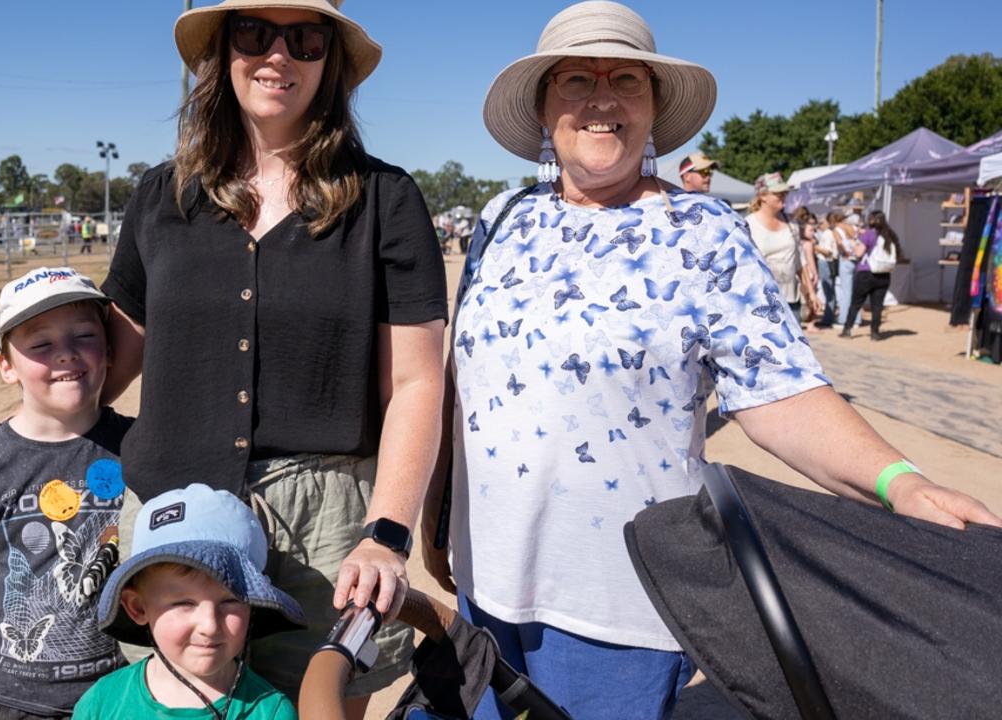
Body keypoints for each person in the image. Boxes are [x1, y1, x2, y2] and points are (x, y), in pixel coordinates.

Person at [420, 3, 1002, 719]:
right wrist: (436, 513)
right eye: (575, 79)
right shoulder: (501, 217)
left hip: (617, 605)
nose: (601, 98)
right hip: (485, 583)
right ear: (544, 109)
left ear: (655, 109)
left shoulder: (702, 234)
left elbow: (780, 392)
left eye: (625, 80)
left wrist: (898, 482)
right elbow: (463, 381)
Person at [98, 0, 447, 713]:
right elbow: (103, 364)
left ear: (333, 60)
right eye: (254, 32)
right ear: (222, 52)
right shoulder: (159, 198)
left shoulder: (386, 200)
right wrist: (11, 448)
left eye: (306, 38)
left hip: (326, 531)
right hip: (172, 521)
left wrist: (385, 534)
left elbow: (415, 384)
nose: (278, 55)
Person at [0, 267, 133, 720]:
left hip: (125, 695)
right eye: (41, 344)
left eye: (84, 335)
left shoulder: (141, 449)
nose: (66, 354)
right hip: (15, 705)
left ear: (108, 351)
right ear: (7, 366)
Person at [75, 484, 301, 719]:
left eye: (230, 601)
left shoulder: (271, 711)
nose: (209, 626)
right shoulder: (101, 703)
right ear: (138, 607)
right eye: (184, 603)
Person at [747, 173, 807, 319]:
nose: (783, 195)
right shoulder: (748, 224)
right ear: (763, 196)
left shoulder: (792, 223)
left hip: (791, 301)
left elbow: (799, 262)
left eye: (784, 192)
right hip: (761, 301)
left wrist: (810, 293)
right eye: (778, 193)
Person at [842, 209, 900, 340]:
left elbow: (858, 253)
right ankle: (875, 332)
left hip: (866, 272)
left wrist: (853, 243)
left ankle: (847, 329)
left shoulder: (868, 235)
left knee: (856, 303)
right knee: (877, 305)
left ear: (871, 221)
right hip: (884, 273)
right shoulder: (890, 235)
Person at [790, 206, 823, 329]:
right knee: (810, 298)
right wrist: (815, 274)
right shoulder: (808, 244)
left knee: (804, 298)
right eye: (811, 230)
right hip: (808, 273)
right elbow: (809, 261)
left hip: (800, 274)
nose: (813, 232)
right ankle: (811, 323)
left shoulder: (800, 242)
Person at [813, 210, 842, 327]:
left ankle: (828, 318)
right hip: (830, 263)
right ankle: (829, 315)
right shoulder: (832, 233)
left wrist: (815, 247)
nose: (820, 224)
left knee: (828, 291)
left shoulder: (828, 233)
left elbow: (828, 252)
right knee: (830, 291)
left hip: (826, 262)